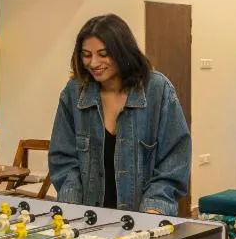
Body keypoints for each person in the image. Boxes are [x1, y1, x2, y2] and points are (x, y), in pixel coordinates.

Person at [48, 14, 190, 216]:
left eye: (103, 54)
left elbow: (174, 161)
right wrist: (73, 210)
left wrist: (153, 208)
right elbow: (63, 160)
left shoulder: (158, 90)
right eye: (86, 55)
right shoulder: (73, 93)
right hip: (87, 221)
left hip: (145, 220)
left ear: (123, 51)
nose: (93, 63)